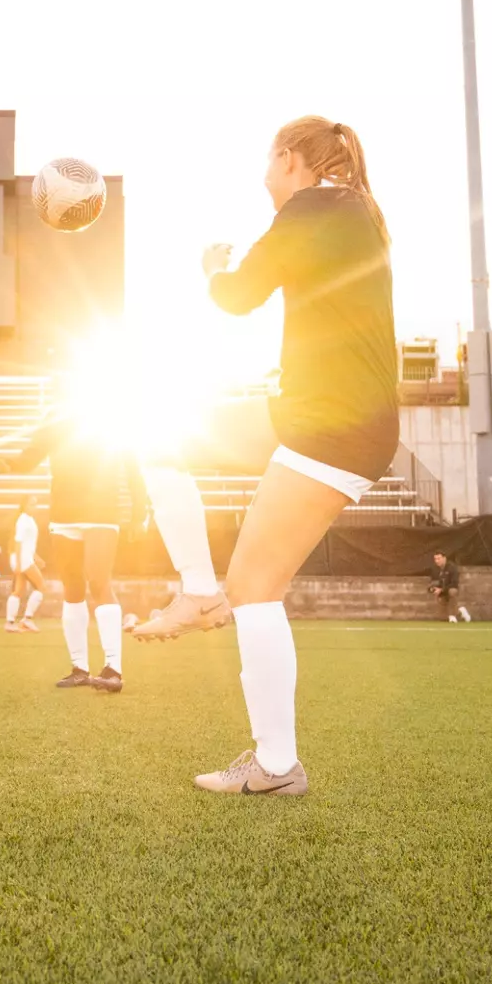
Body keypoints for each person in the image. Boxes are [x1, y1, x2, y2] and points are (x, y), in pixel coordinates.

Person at [136, 116, 400, 798]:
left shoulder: (315, 206)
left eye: (267, 161)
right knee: (247, 579)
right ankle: (274, 762)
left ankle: (201, 598)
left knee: (250, 587)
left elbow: (238, 295)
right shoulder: (356, 210)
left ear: (290, 160)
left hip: (328, 425)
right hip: (328, 418)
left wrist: (212, 267)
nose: (263, 178)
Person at [0, 412, 145, 693]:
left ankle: (113, 669)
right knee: (72, 587)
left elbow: (132, 467)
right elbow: (33, 454)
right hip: (64, 515)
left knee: (99, 581)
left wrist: (140, 513)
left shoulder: (114, 421)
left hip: (101, 511)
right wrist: (12, 464)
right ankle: (80, 669)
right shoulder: (56, 422)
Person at [4, 495, 45, 633]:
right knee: (41, 586)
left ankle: (10, 623)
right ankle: (27, 619)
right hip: (22, 558)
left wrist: (36, 557)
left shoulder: (30, 519)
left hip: (26, 557)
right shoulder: (22, 520)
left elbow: (29, 543)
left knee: (19, 591)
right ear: (24, 505)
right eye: (31, 504)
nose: (34, 507)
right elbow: (18, 542)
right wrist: (19, 563)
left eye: (35, 504)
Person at [430, 551, 471, 623]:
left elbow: (454, 583)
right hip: (442, 593)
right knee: (442, 619)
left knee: (452, 591)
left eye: (439, 558)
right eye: (435, 559)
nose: (437, 561)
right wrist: (433, 589)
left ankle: (452, 615)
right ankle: (460, 612)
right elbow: (433, 583)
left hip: (451, 590)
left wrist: (442, 589)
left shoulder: (452, 567)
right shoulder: (435, 569)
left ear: (444, 558)